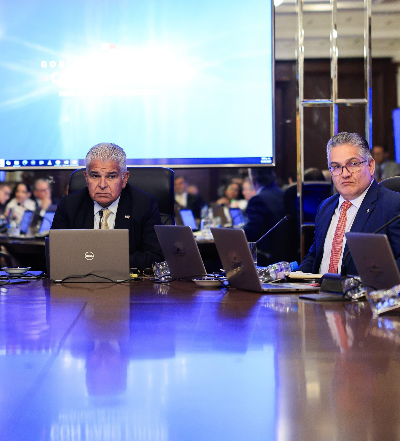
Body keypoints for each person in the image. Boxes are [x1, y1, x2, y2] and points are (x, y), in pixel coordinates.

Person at [299, 132, 400, 275]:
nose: (345, 174)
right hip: (318, 289)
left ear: (371, 166)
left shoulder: (394, 206)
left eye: (353, 164)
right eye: (336, 166)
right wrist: (292, 280)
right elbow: (315, 257)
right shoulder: (325, 207)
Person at [51, 142, 164, 270]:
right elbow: (53, 255)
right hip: (80, 280)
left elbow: (155, 257)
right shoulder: (69, 205)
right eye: (95, 176)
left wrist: (104, 262)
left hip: (128, 281)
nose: (102, 185)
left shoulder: (144, 204)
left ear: (124, 178)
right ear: (86, 177)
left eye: (111, 176)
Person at [243, 167, 286, 266]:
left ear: (253, 180)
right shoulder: (284, 195)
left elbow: (250, 233)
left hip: (264, 259)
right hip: (286, 256)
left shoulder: (258, 199)